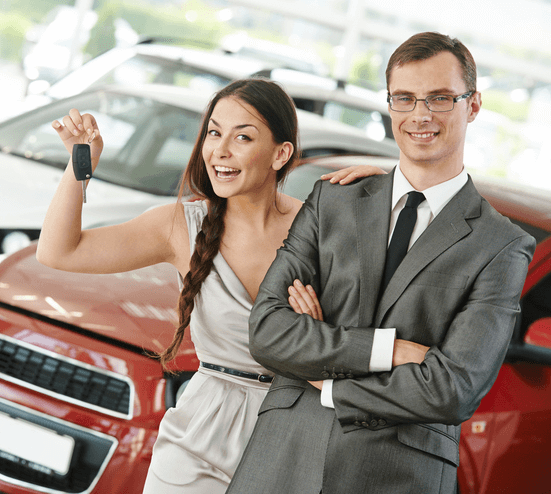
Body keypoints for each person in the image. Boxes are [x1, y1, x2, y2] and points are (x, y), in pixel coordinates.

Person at [36, 78, 384, 493]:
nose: (220, 149)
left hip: (295, 434)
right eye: (214, 132)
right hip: (199, 436)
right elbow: (60, 251)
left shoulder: (326, 228)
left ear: (281, 153)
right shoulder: (179, 227)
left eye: (242, 137)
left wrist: (392, 191)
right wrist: (81, 160)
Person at [225, 32, 536, 494]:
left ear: (472, 106)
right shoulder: (333, 201)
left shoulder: (501, 245)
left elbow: (451, 389)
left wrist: (323, 377)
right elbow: (268, 331)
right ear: (389, 105)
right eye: (405, 99)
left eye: (440, 98)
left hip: (396, 476)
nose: (420, 115)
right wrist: (388, 351)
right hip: (282, 458)